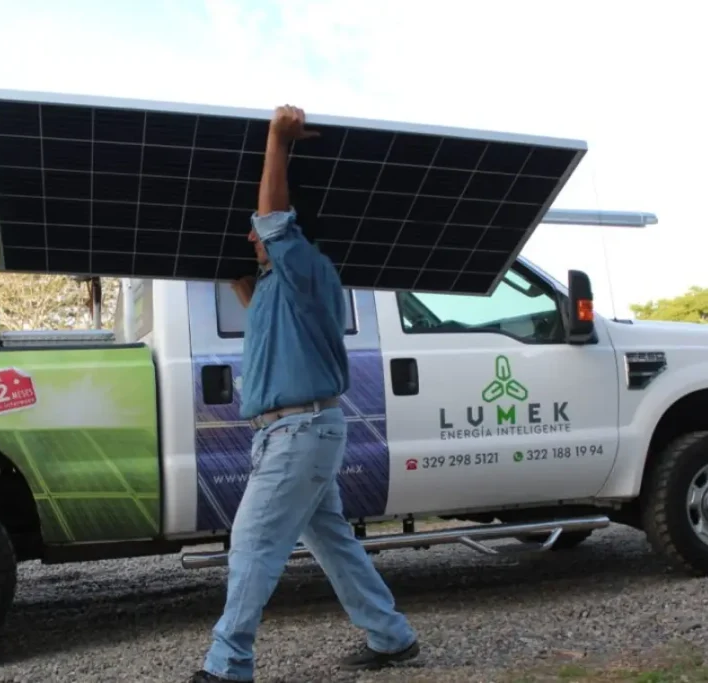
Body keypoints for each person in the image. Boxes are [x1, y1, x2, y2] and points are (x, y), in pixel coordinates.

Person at [192, 105, 420, 682]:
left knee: (251, 543)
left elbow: (271, 221)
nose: (251, 233)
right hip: (288, 434)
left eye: (259, 228)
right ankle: (392, 636)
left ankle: (228, 665)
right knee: (334, 544)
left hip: (300, 432)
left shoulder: (309, 269)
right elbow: (261, 267)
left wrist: (277, 141)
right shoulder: (274, 288)